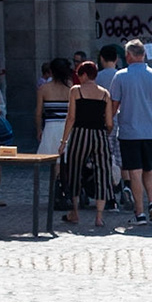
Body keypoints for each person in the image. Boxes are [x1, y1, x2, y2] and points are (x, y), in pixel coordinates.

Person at [108, 38, 152, 225]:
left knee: (134, 172)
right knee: (149, 169)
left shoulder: (120, 76)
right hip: (151, 131)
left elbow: (114, 105)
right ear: (143, 54)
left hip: (129, 131)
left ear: (128, 56)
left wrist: (109, 124)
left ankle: (140, 213)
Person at [57, 61, 117, 228]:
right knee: (102, 173)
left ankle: (75, 212)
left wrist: (64, 141)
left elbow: (71, 118)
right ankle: (99, 217)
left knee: (75, 171)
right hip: (100, 135)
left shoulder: (76, 91)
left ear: (83, 74)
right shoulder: (105, 93)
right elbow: (109, 122)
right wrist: (106, 135)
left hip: (80, 134)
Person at [36, 57, 73, 156]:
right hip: (68, 127)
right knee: (67, 159)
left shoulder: (43, 89)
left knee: (53, 158)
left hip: (50, 127)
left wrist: (39, 129)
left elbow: (38, 113)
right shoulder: (71, 88)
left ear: (51, 71)